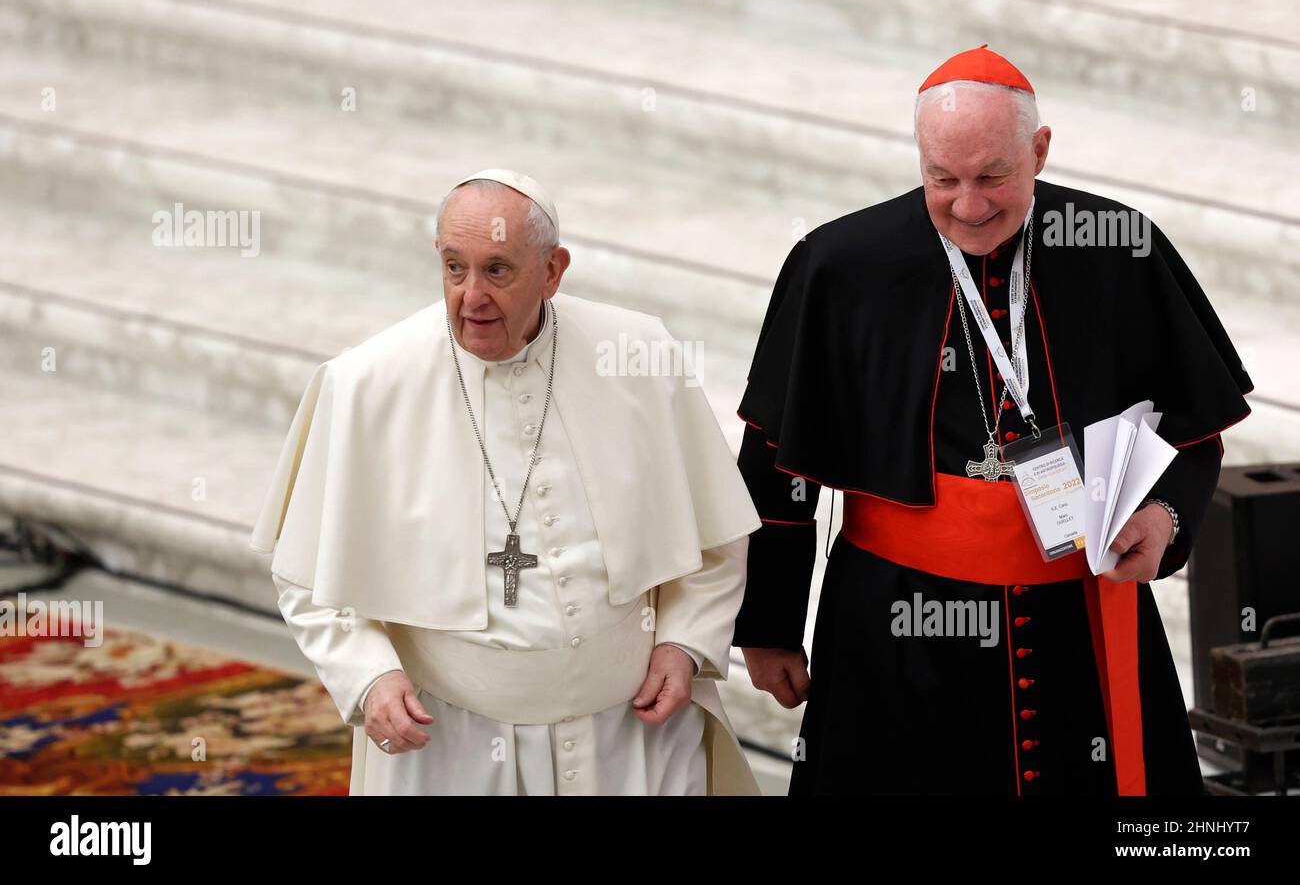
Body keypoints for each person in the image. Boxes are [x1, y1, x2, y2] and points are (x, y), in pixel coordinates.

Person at [734, 47, 1254, 795]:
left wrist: (1168, 516)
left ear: (1039, 151)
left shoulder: (1116, 246)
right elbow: (776, 461)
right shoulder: (840, 265)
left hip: (1077, 614)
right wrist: (770, 624)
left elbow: (1191, 429)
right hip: (895, 625)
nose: (968, 206)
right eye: (942, 178)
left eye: (993, 177)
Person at [251, 169, 761, 795]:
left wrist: (684, 643)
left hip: (631, 736)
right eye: (453, 267)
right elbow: (307, 575)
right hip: (454, 747)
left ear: (552, 271)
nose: (471, 297)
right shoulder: (367, 385)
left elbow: (714, 538)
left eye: (498, 270)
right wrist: (369, 675)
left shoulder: (636, 355)